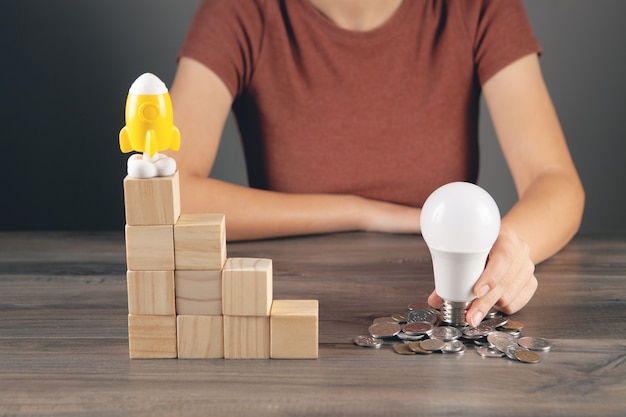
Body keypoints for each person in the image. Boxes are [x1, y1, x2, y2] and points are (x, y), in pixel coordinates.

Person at [167, 0, 585, 327]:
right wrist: (364, 211)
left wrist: (510, 246)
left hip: (436, 298)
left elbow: (555, 180)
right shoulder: (240, 10)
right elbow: (171, 191)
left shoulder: (475, 7)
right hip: (291, 300)